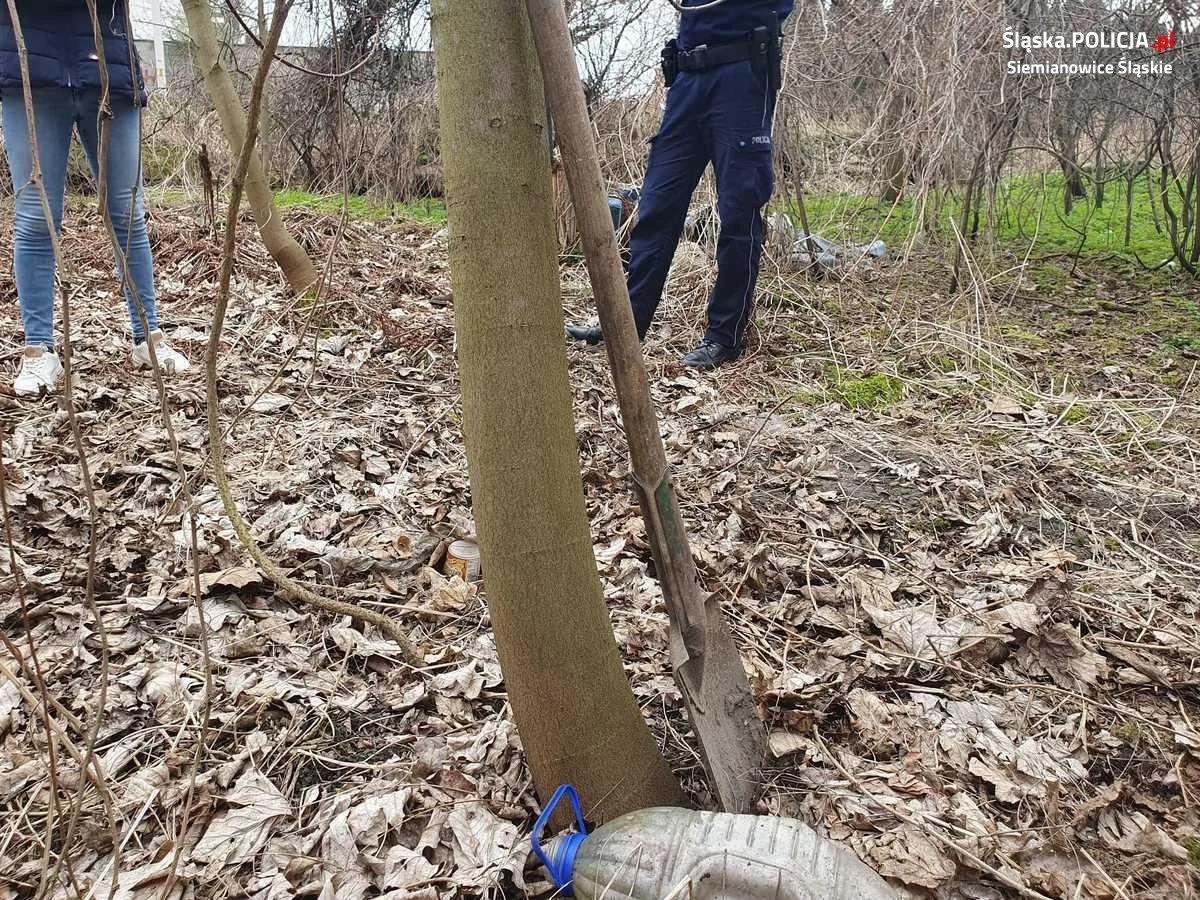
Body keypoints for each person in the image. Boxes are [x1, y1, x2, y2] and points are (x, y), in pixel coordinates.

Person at [568, 0, 793, 370]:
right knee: (656, 208)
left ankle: (724, 337)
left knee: (739, 211)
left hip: (743, 74)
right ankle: (626, 327)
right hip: (686, 76)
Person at [1, 0, 189, 398]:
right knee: (36, 218)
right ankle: (38, 349)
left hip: (110, 70)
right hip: (28, 72)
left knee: (127, 213)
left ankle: (148, 337)